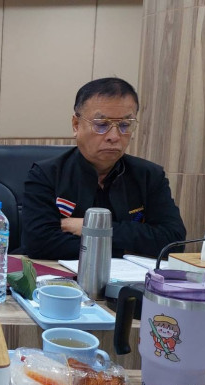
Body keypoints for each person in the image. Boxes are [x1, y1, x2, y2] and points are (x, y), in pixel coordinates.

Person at [21, 77, 186, 260]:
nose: (114, 136)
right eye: (101, 125)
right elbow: (39, 243)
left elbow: (173, 241)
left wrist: (92, 228)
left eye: (124, 125)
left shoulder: (150, 176)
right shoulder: (46, 175)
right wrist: (127, 249)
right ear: (76, 125)